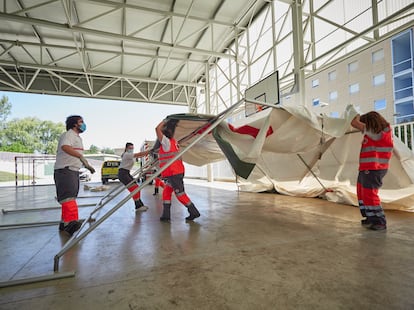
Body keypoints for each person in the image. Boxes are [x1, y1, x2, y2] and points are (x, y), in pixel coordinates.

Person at [351, 111, 393, 230]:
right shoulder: (374, 134)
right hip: (366, 169)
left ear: (370, 123)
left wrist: (355, 117)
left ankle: (379, 221)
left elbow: (355, 123)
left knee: (369, 194)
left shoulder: (380, 133)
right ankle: (370, 217)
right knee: (362, 193)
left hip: (374, 169)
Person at [54, 115, 95, 236]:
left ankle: (64, 223)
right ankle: (71, 223)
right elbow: (65, 147)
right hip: (65, 170)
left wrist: (84, 163)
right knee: (68, 198)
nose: (83, 124)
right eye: (81, 122)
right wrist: (81, 157)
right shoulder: (69, 135)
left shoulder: (77, 137)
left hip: (72, 170)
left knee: (70, 197)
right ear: (74, 124)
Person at [155, 118, 200, 222]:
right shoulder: (173, 142)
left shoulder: (166, 142)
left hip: (174, 173)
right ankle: (166, 215)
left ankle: (193, 211)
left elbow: (157, 129)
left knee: (180, 194)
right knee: (166, 191)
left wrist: (164, 120)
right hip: (173, 173)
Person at [118, 142, 150, 211]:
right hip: (123, 173)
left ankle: (140, 204)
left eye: (132, 148)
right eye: (130, 148)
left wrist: (148, 153)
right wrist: (150, 151)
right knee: (135, 188)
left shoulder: (129, 154)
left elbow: (140, 155)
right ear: (126, 148)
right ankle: (138, 206)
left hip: (126, 172)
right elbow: (139, 154)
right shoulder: (126, 154)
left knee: (136, 188)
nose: (131, 149)